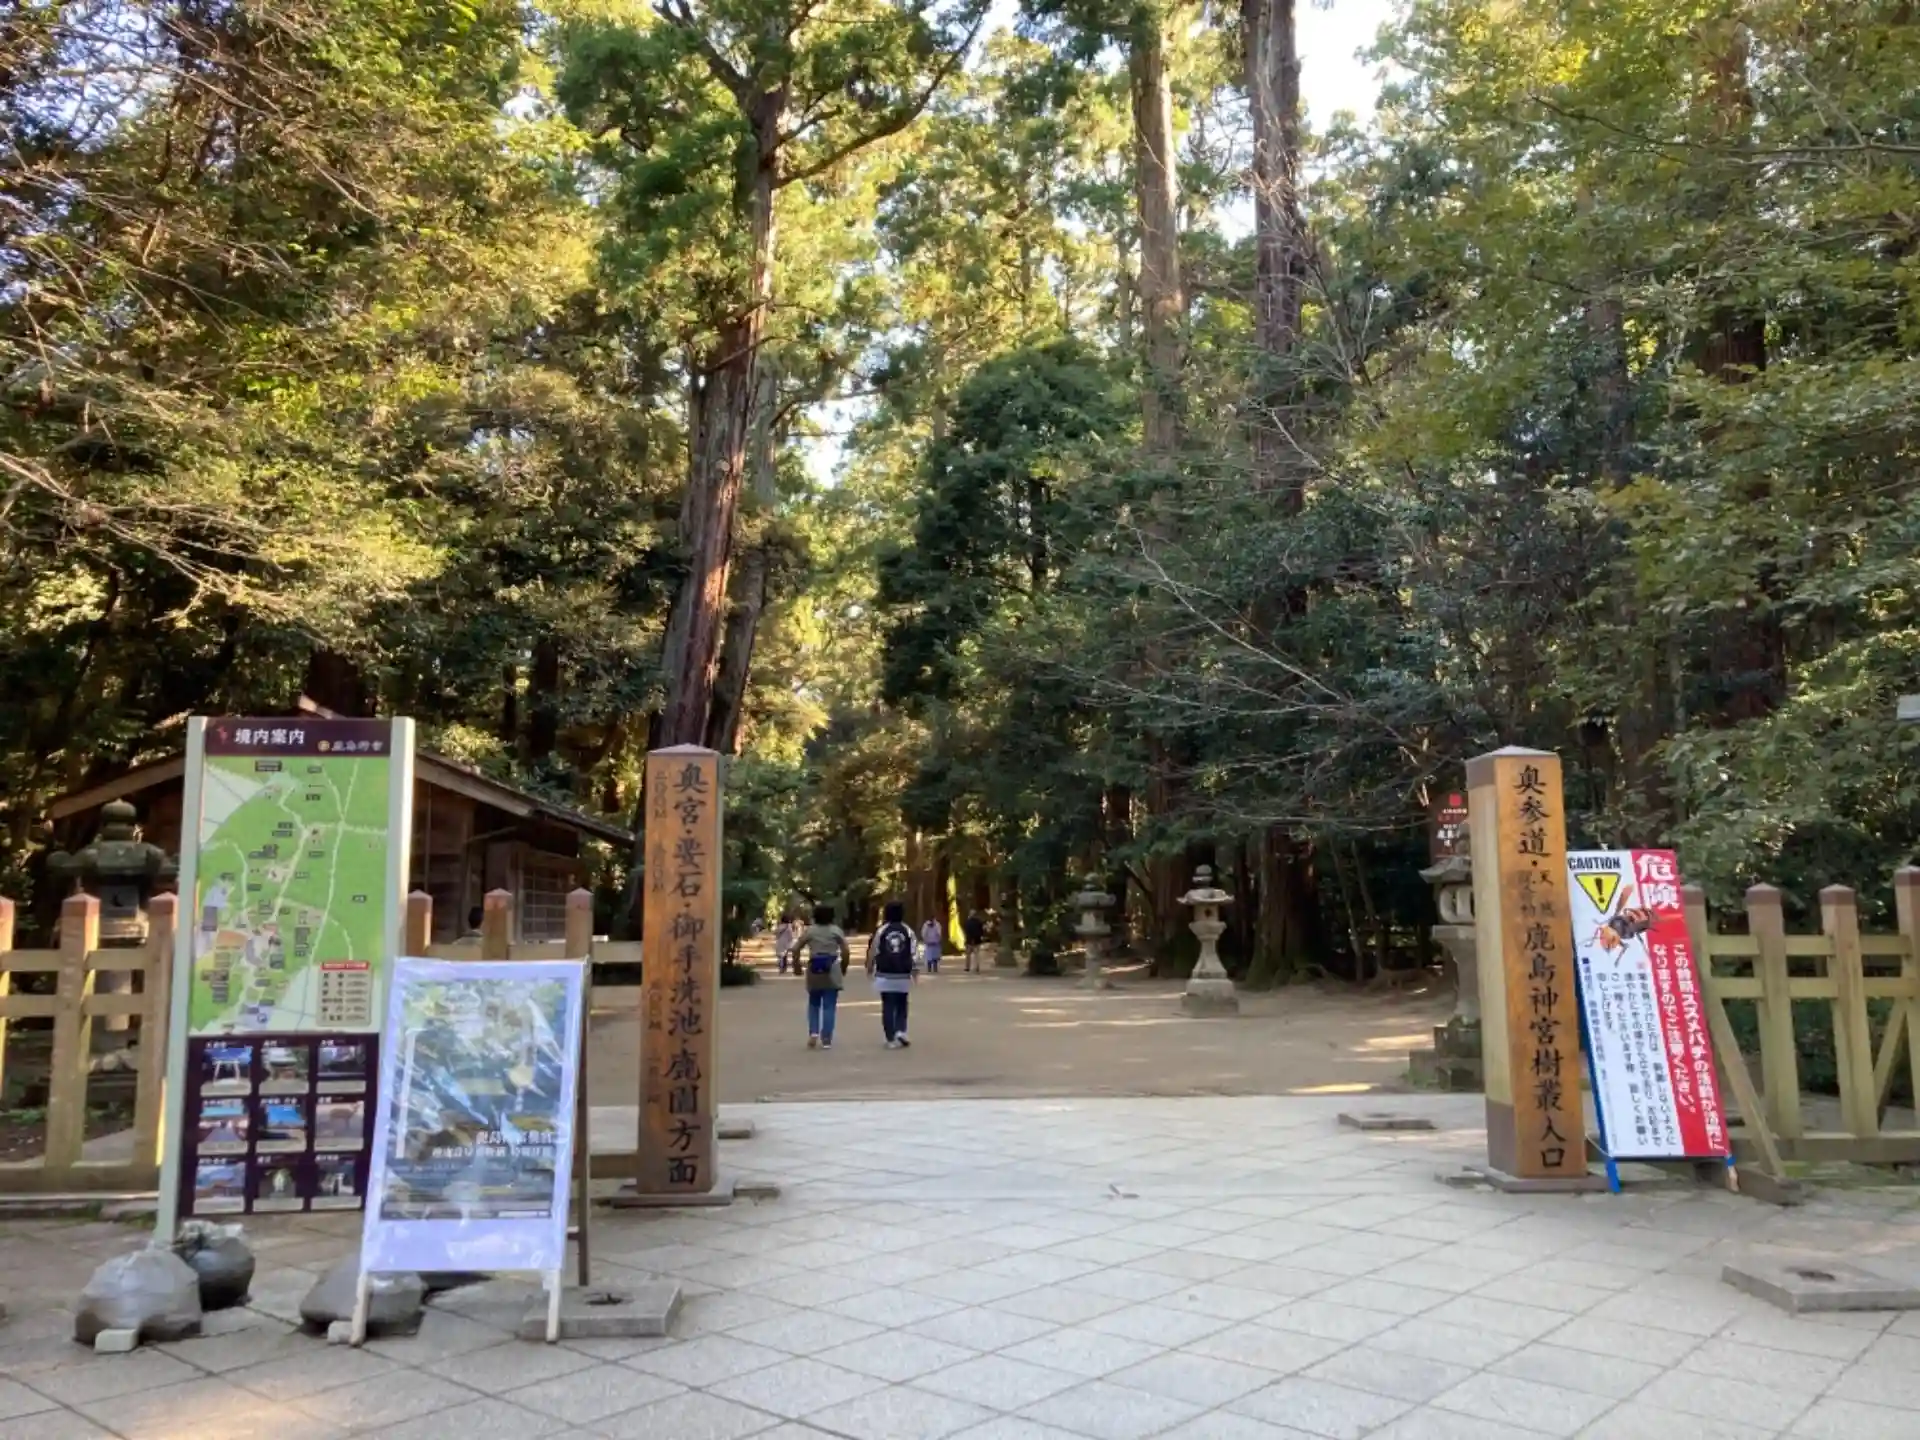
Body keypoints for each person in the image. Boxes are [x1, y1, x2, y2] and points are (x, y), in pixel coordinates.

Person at [869, 900, 919, 1048]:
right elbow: (914, 952)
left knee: (888, 1005)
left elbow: (874, 950)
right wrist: (915, 971)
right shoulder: (908, 931)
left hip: (885, 974)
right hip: (903, 973)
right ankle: (901, 1030)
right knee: (902, 1003)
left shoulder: (881, 931)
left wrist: (869, 966)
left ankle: (890, 1038)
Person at [801, 904, 849, 1048]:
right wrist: (843, 966)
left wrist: (796, 965)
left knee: (813, 1003)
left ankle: (813, 1032)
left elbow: (796, 948)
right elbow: (846, 950)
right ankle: (826, 1038)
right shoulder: (836, 931)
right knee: (829, 1005)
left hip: (814, 968)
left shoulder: (810, 931)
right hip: (832, 967)